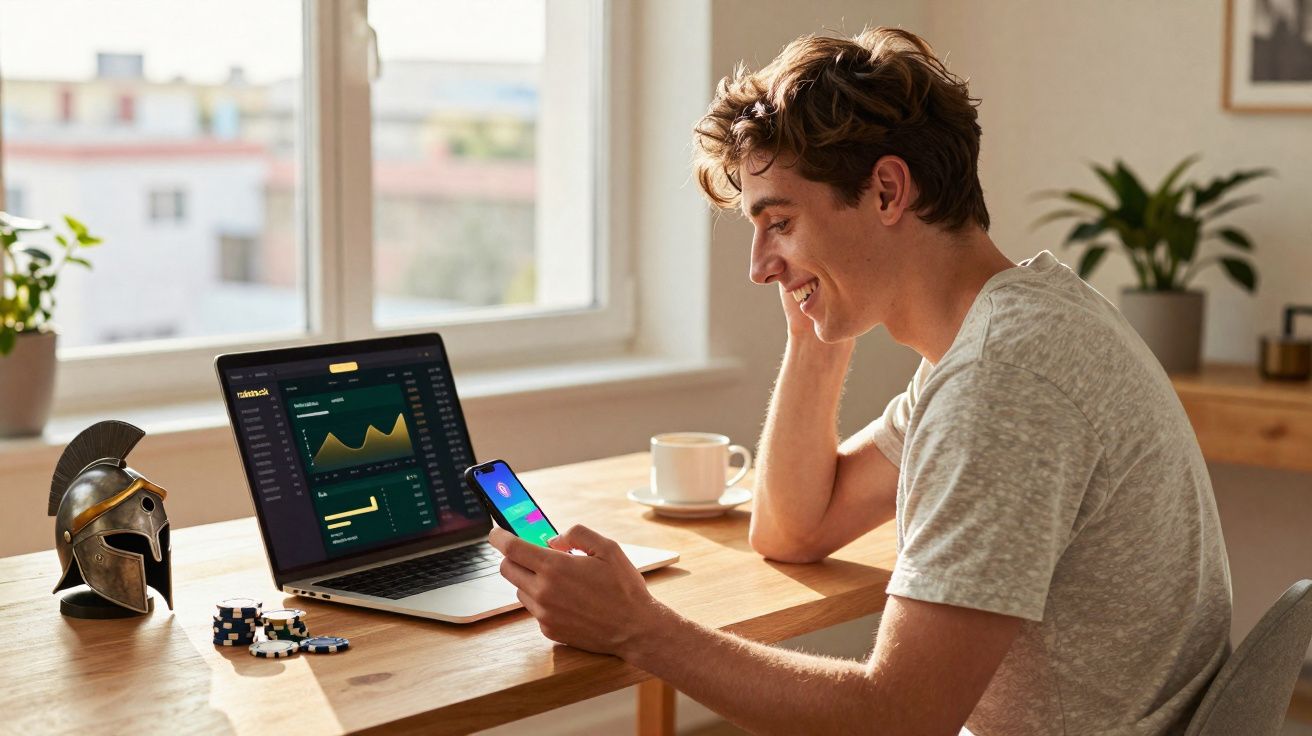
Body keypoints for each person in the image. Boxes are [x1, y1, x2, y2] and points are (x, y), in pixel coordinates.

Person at [488, 26, 1231, 735]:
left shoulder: (1000, 385)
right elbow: (794, 529)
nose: (758, 267)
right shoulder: (1017, 325)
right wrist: (815, 331)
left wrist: (638, 629)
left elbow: (897, 719)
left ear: (885, 192)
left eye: (778, 223)